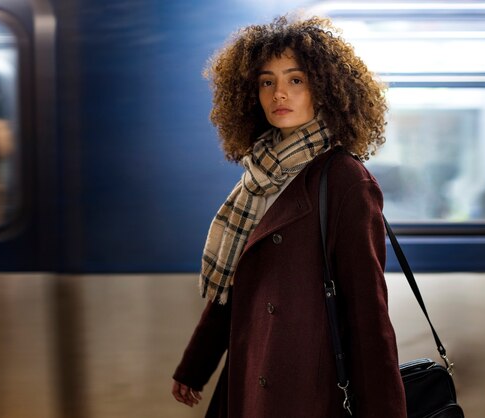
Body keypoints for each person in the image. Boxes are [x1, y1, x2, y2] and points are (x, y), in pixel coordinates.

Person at [172, 14, 406, 418]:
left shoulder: (345, 180)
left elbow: (368, 314)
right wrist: (196, 365)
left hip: (307, 385)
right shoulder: (259, 176)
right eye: (267, 81)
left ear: (326, 87)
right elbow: (236, 280)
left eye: (295, 80)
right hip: (256, 367)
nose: (279, 93)